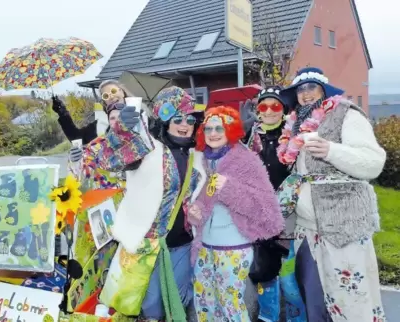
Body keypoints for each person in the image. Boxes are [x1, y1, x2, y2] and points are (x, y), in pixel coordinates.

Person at [277, 67, 387, 321]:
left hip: (342, 228)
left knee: (352, 302)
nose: (305, 95)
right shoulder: (295, 125)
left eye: (311, 88)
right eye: (300, 90)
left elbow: (373, 162)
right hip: (306, 231)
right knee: (315, 301)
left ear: (324, 90)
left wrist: (330, 151)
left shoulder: (346, 114)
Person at [89, 86, 206, 321]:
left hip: (182, 242)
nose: (185, 124)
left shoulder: (198, 156)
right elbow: (107, 158)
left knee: (180, 299)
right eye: (177, 119)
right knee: (151, 305)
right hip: (147, 242)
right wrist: (121, 129)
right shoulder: (147, 148)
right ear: (164, 121)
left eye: (190, 119)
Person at [187, 106, 284, 322]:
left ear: (231, 129)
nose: (213, 133)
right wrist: (194, 213)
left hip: (234, 247)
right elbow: (203, 202)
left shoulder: (246, 161)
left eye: (219, 128)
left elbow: (267, 211)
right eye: (208, 128)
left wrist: (228, 189)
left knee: (230, 306)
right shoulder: (202, 160)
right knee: (204, 303)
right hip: (204, 246)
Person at [247, 87, 307, 322]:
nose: (269, 111)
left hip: (286, 219)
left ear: (284, 110)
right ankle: (268, 316)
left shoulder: (295, 136)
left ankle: (297, 318)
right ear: (257, 110)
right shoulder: (250, 138)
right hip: (259, 217)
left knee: (288, 279)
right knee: (265, 274)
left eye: (275, 106)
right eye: (263, 106)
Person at [52, 79, 135, 144]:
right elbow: (78, 138)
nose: (111, 96)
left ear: (122, 92)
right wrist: (63, 113)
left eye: (113, 91)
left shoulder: (140, 114)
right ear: (104, 101)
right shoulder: (102, 123)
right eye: (106, 95)